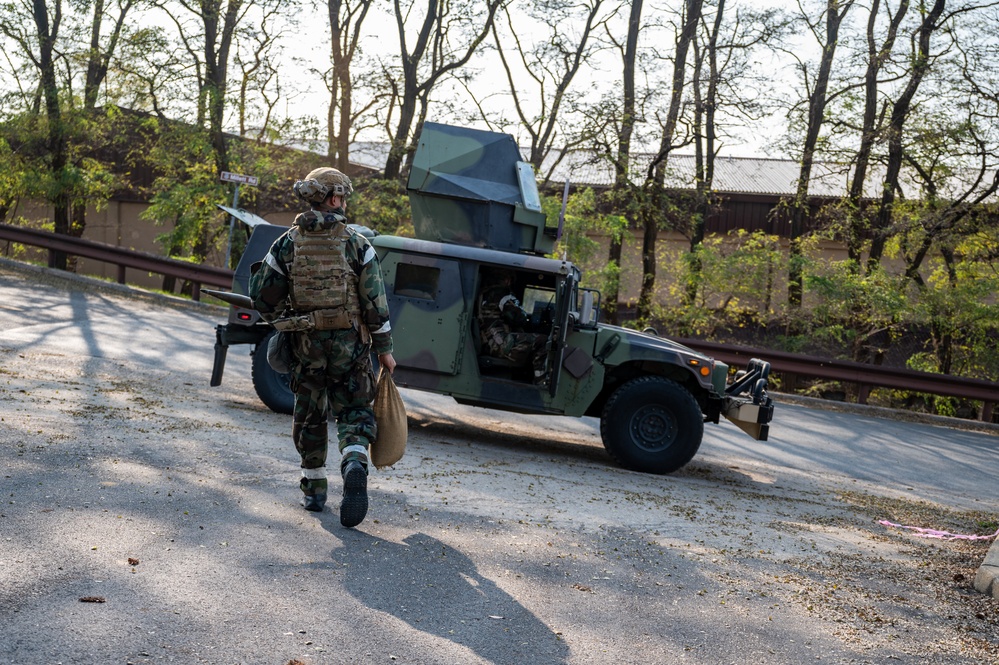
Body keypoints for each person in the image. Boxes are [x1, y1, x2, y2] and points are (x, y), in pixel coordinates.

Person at [248, 167, 396, 528]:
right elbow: (375, 302)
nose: (344, 203)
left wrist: (288, 318)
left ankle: (314, 489)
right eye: (342, 196)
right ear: (333, 199)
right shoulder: (357, 244)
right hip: (351, 345)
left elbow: (262, 298)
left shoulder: (285, 243)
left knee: (310, 413)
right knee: (355, 409)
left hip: (306, 345)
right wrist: (384, 350)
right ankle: (355, 461)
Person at [477, 267, 547, 384]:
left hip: (488, 343)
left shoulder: (484, 293)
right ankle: (541, 383)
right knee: (543, 341)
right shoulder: (502, 293)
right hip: (500, 344)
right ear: (507, 280)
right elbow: (520, 318)